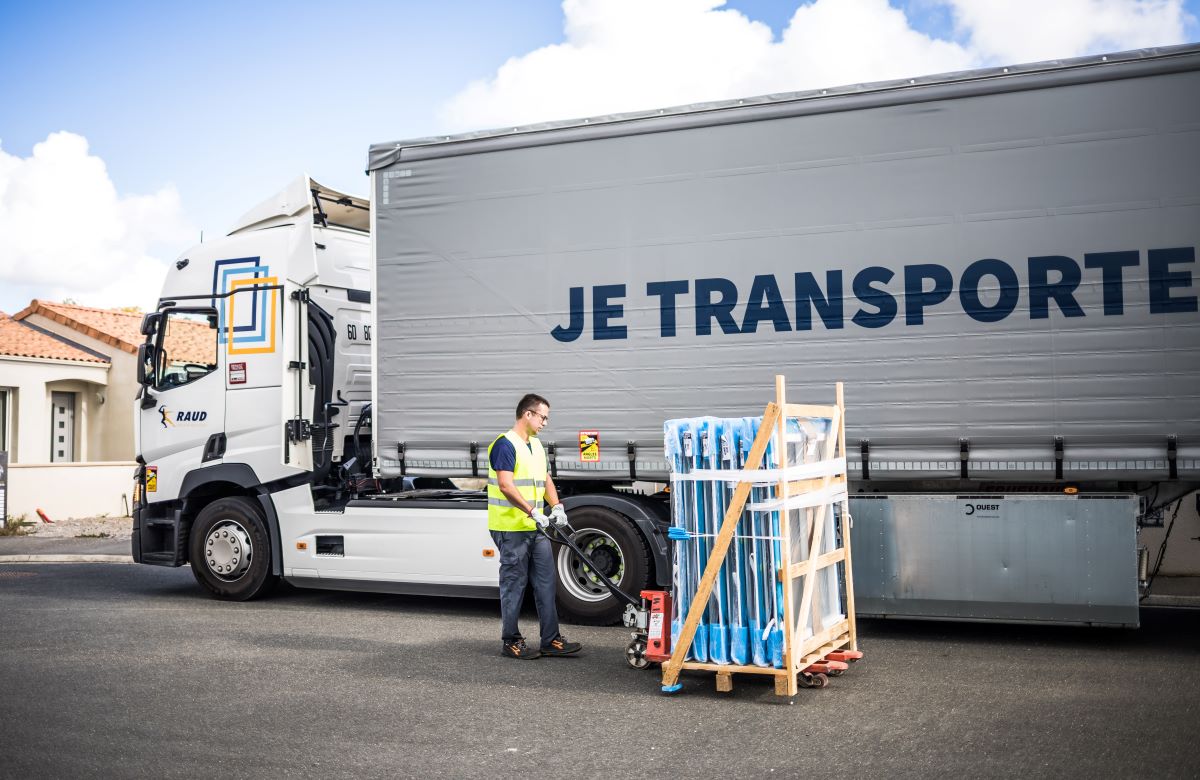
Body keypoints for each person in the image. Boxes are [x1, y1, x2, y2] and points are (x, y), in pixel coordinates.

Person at [487, 393, 583, 660]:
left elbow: (545, 478)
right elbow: (506, 485)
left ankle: (551, 640)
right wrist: (532, 510)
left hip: (536, 527)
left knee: (545, 582)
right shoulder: (505, 445)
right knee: (514, 584)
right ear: (527, 414)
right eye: (543, 417)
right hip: (511, 527)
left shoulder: (537, 445)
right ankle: (511, 641)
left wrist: (557, 506)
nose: (544, 423)